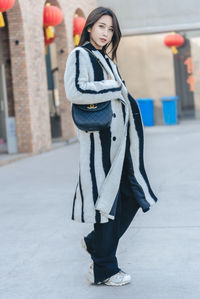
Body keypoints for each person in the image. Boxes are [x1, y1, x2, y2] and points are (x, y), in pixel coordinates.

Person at [64, 6, 158, 286]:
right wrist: (113, 86)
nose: (105, 33)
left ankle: (96, 244)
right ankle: (104, 268)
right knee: (107, 205)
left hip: (120, 149)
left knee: (132, 197)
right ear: (90, 26)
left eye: (110, 29)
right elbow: (75, 90)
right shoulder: (80, 55)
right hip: (99, 148)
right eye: (101, 26)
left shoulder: (106, 59)